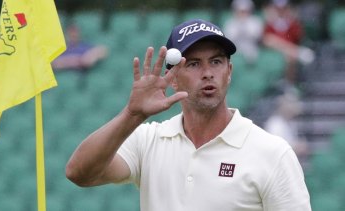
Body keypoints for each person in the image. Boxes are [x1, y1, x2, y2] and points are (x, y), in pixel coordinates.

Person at [66, 19, 311, 210]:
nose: (207, 73)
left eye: (216, 61)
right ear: (173, 79)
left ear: (229, 71)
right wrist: (132, 114)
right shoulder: (149, 140)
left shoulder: (273, 153)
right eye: (193, 64)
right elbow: (79, 173)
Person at [262, 0, 315, 85]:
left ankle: (288, 85)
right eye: (278, 8)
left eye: (283, 8)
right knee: (274, 42)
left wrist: (292, 20)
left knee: (290, 58)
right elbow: (267, 41)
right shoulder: (269, 23)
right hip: (274, 53)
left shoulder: (292, 23)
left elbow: (299, 37)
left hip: (289, 53)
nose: (280, 10)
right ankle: (296, 53)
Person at [264, 92, 310, 164]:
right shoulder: (275, 124)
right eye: (290, 105)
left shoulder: (292, 123)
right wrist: (296, 148)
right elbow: (275, 149)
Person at [224, 0, 263, 65]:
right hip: (235, 52)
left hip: (252, 52)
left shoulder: (256, 21)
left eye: (245, 11)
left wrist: (245, 28)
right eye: (240, 11)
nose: (242, 13)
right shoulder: (229, 23)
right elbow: (228, 39)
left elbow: (258, 37)